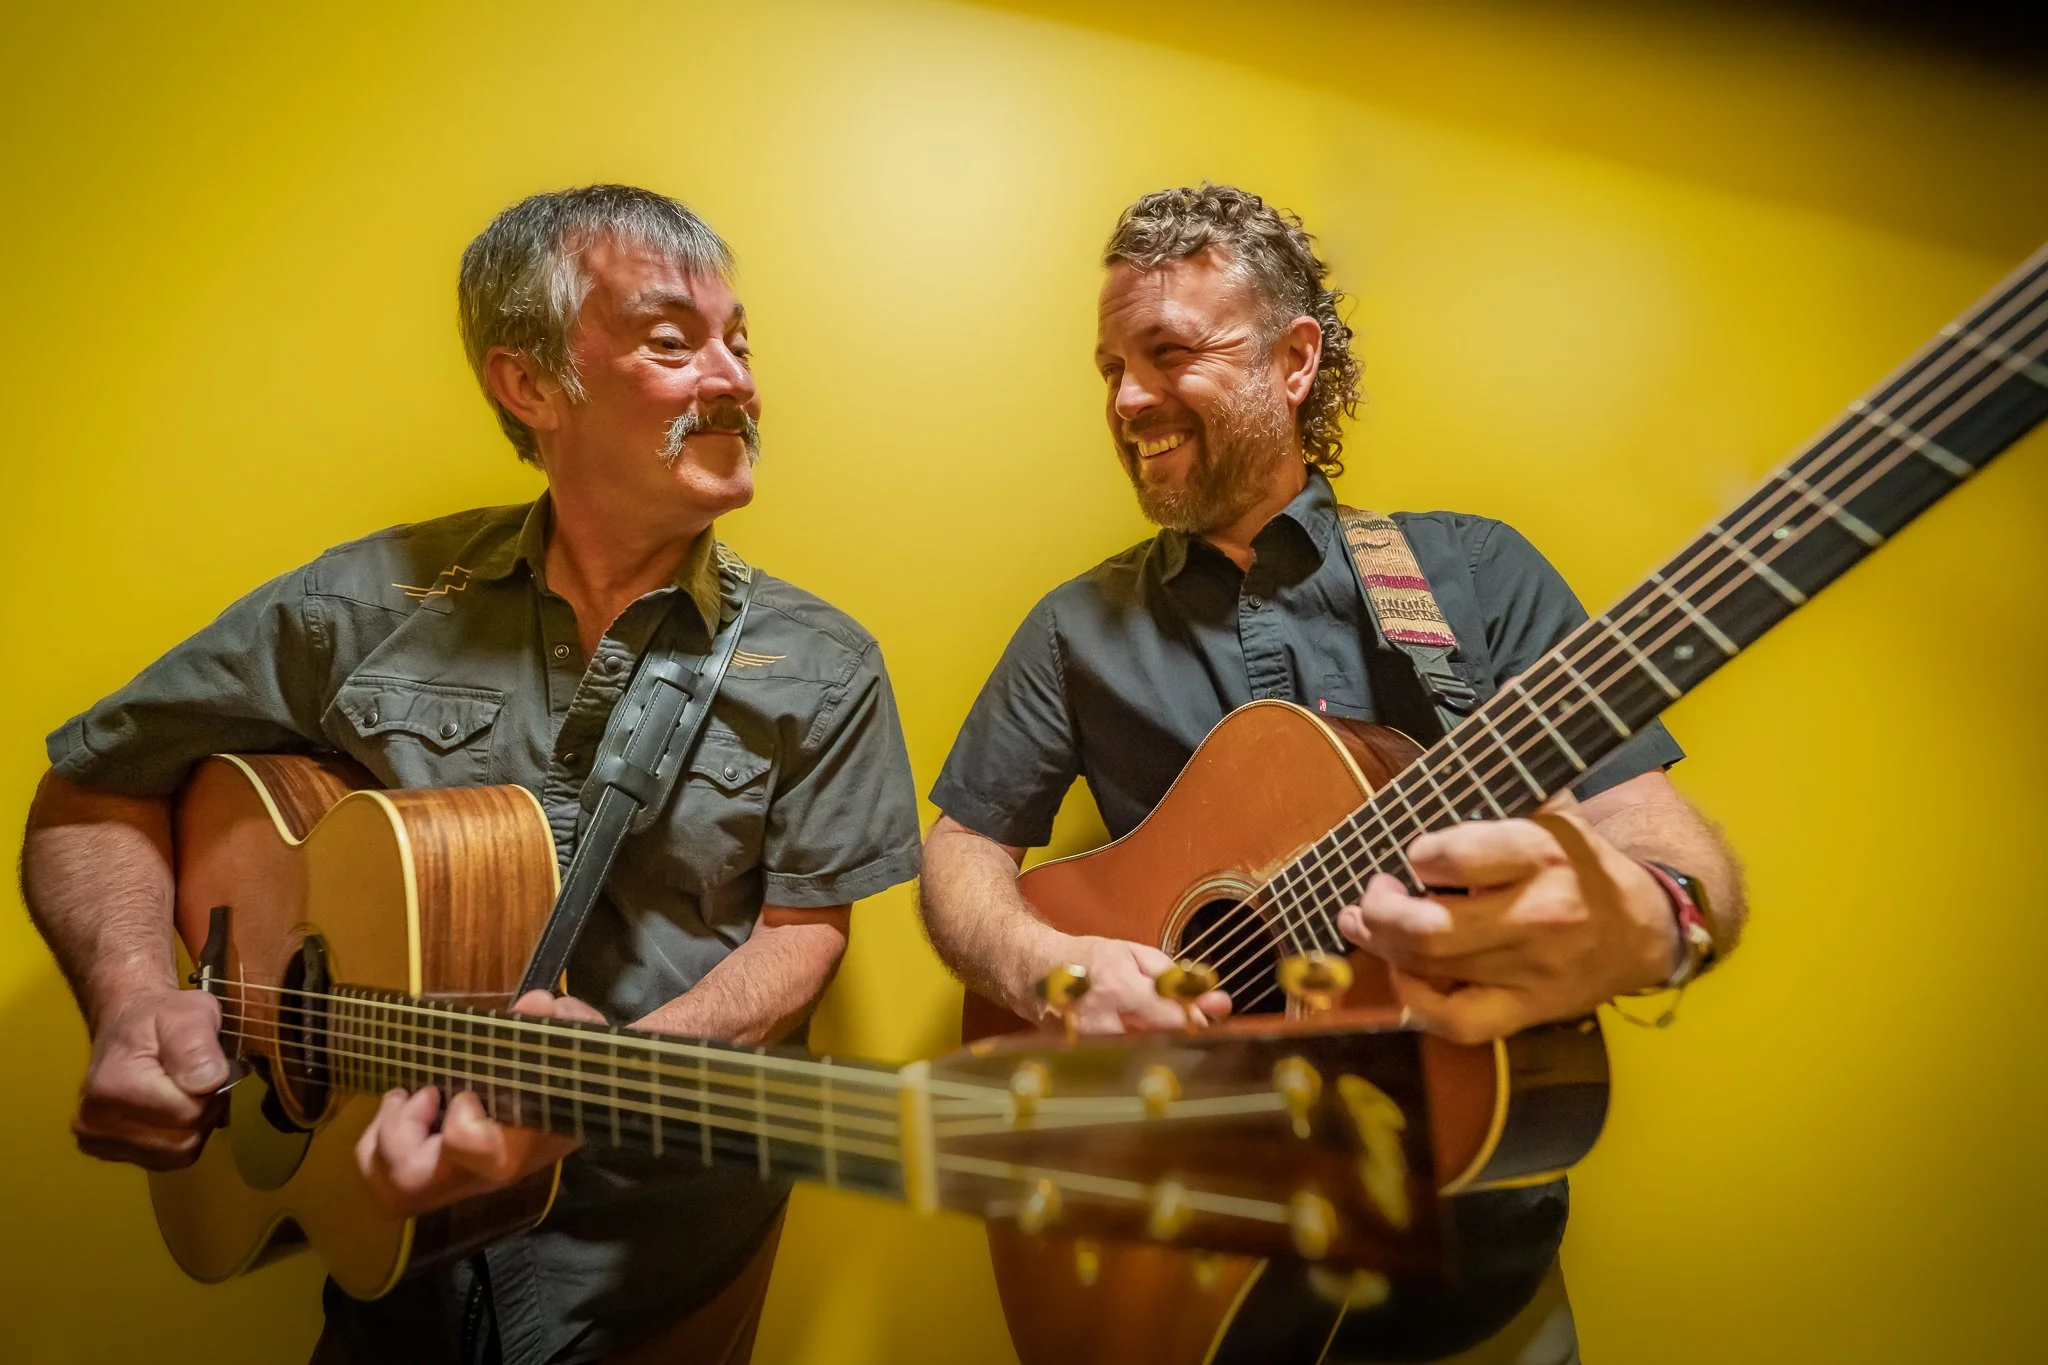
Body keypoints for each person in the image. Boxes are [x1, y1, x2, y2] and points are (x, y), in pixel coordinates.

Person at [21, 185, 922, 1365]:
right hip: (382, 1255)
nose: (737, 380)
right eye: (672, 340)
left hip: (657, 1266)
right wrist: (134, 996)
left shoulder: (822, 662)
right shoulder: (362, 605)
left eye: (739, 342)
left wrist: (607, 1079)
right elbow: (92, 788)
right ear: (531, 385)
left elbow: (803, 937)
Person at [918, 183, 1746, 1362]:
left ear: (1292, 360)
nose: (1125, 399)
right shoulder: (1072, 629)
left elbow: (1668, 844)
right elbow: (959, 852)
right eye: (1107, 365)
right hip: (1183, 1260)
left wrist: (1657, 919)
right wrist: (1050, 968)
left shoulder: (1472, 575)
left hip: (1470, 1291)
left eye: (1166, 354)